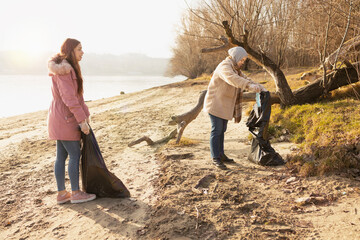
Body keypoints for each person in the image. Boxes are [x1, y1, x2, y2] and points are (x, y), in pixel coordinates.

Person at [47, 38, 96, 204]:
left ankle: (62, 194)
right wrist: (82, 121)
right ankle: (75, 193)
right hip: (66, 118)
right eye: (79, 49)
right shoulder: (66, 70)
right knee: (75, 154)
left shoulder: (65, 68)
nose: (82, 52)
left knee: (61, 156)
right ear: (70, 51)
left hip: (58, 117)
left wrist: (85, 116)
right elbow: (70, 99)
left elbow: (77, 97)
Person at [203, 46, 266, 170]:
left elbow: (244, 78)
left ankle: (221, 155)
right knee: (217, 130)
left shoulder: (236, 68)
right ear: (236, 57)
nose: (243, 62)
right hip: (215, 103)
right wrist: (249, 86)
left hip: (224, 104)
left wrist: (257, 85)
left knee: (222, 130)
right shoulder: (224, 67)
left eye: (244, 60)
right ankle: (215, 158)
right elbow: (233, 79)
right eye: (241, 60)